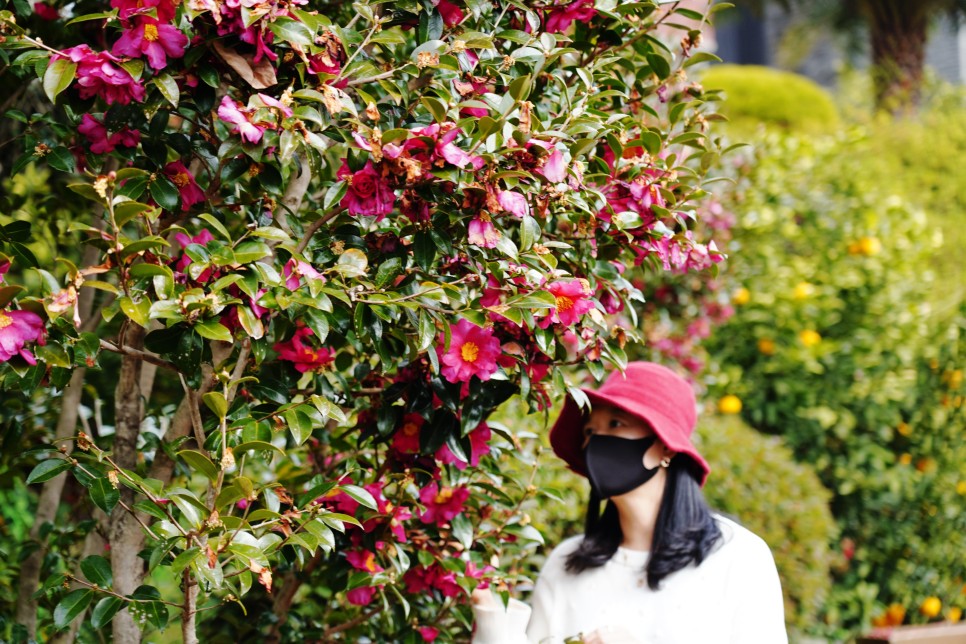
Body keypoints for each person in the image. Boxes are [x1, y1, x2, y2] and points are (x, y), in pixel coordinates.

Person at [472, 361, 788, 644]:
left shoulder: (736, 557)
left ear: (666, 447)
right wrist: (489, 614)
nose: (596, 442)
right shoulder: (566, 563)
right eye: (589, 431)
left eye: (616, 424)